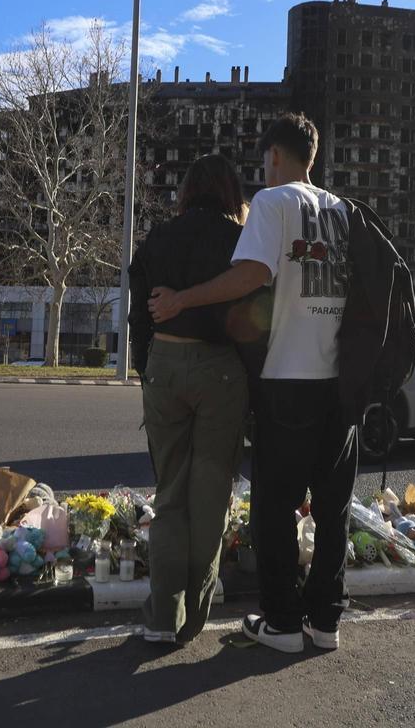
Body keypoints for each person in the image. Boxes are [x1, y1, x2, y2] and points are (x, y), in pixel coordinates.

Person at [149, 113, 356, 653]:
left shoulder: (273, 203)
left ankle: (283, 623)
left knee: (275, 506)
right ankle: (325, 621)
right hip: (340, 383)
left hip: (287, 378)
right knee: (331, 509)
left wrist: (181, 300)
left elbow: (250, 276)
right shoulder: (342, 212)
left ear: (275, 157)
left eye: (265, 161)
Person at [128, 153, 254, 645]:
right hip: (222, 371)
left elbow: (140, 316)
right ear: (230, 192)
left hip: (165, 365)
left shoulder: (160, 238)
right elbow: (253, 322)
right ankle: (195, 617)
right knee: (211, 496)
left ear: (187, 192)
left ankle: (163, 615)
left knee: (170, 494)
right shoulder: (241, 241)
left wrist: (147, 370)